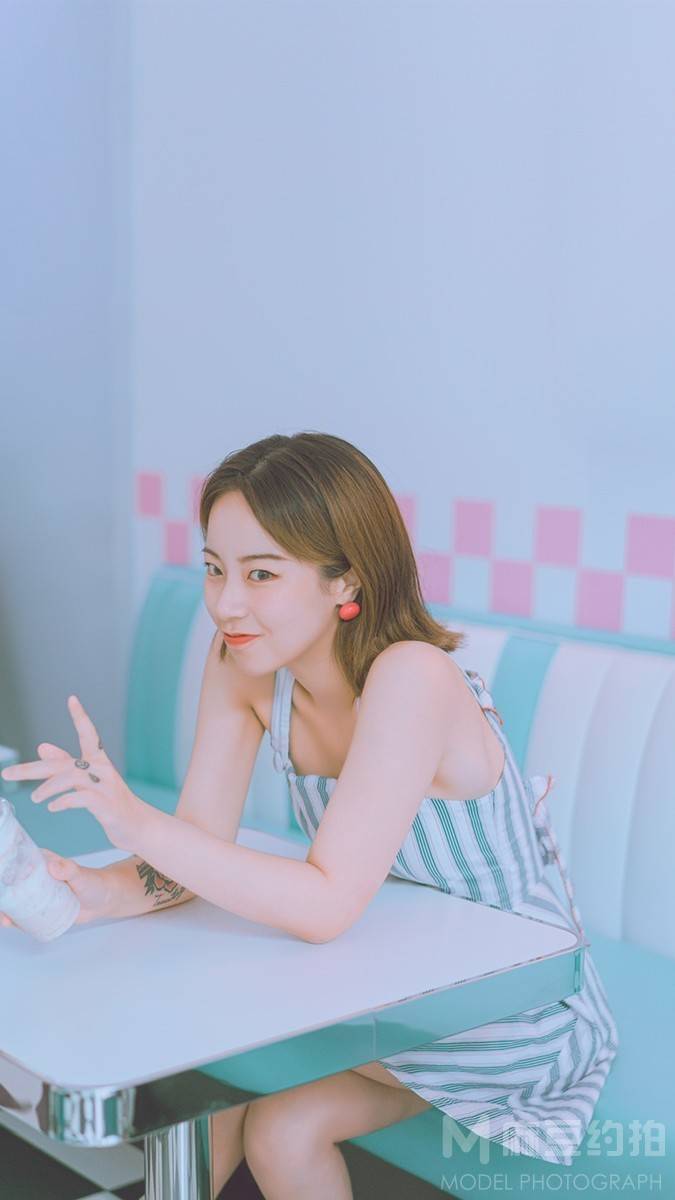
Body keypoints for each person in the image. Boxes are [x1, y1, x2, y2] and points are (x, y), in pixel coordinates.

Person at [2, 431, 618, 1197]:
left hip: (505, 1009)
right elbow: (192, 853)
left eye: (261, 573)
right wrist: (90, 893)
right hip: (381, 972)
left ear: (344, 578)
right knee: (228, 1094)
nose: (226, 602)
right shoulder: (243, 665)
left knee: (255, 1093)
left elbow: (324, 906)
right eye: (214, 568)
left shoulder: (412, 677)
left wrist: (134, 820)